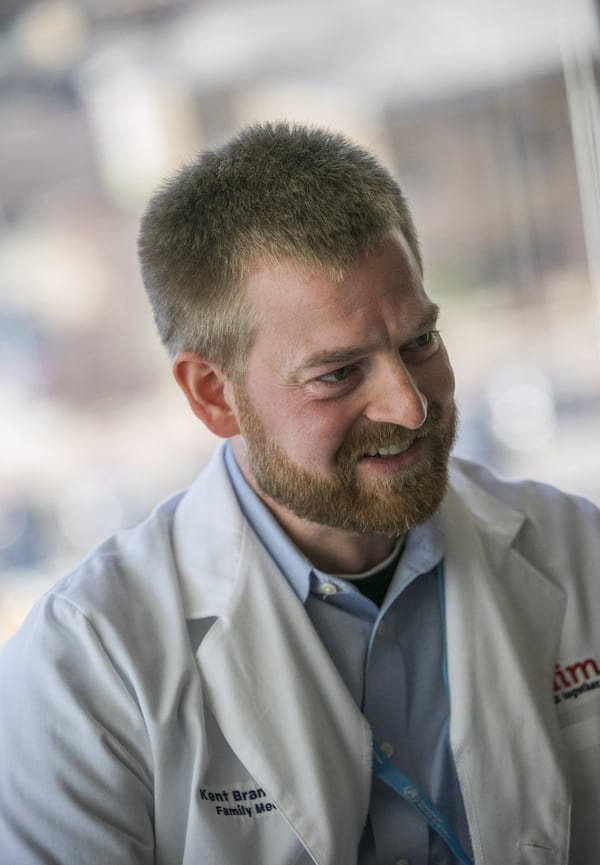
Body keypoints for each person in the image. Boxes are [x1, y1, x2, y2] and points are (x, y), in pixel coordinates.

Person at [0, 121, 599, 865]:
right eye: (339, 373)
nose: (410, 407)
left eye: (420, 343)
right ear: (213, 394)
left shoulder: (581, 552)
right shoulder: (85, 670)